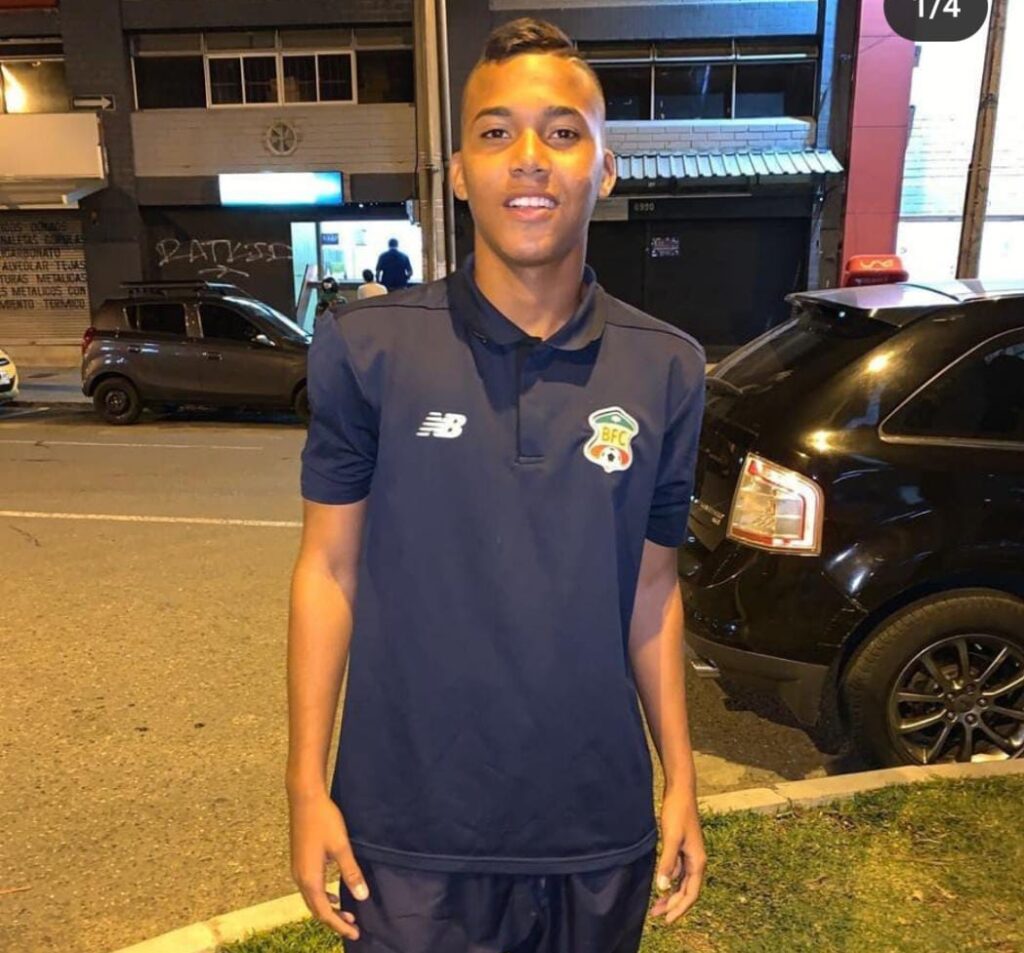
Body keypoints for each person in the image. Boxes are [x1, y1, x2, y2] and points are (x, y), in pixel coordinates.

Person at [287, 17, 707, 953]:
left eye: (562, 132)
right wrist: (305, 783)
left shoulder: (668, 367)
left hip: (596, 830)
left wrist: (681, 774)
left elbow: (652, 589)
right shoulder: (367, 348)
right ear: (458, 170)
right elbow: (328, 570)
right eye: (495, 132)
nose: (528, 157)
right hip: (406, 837)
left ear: (604, 169)